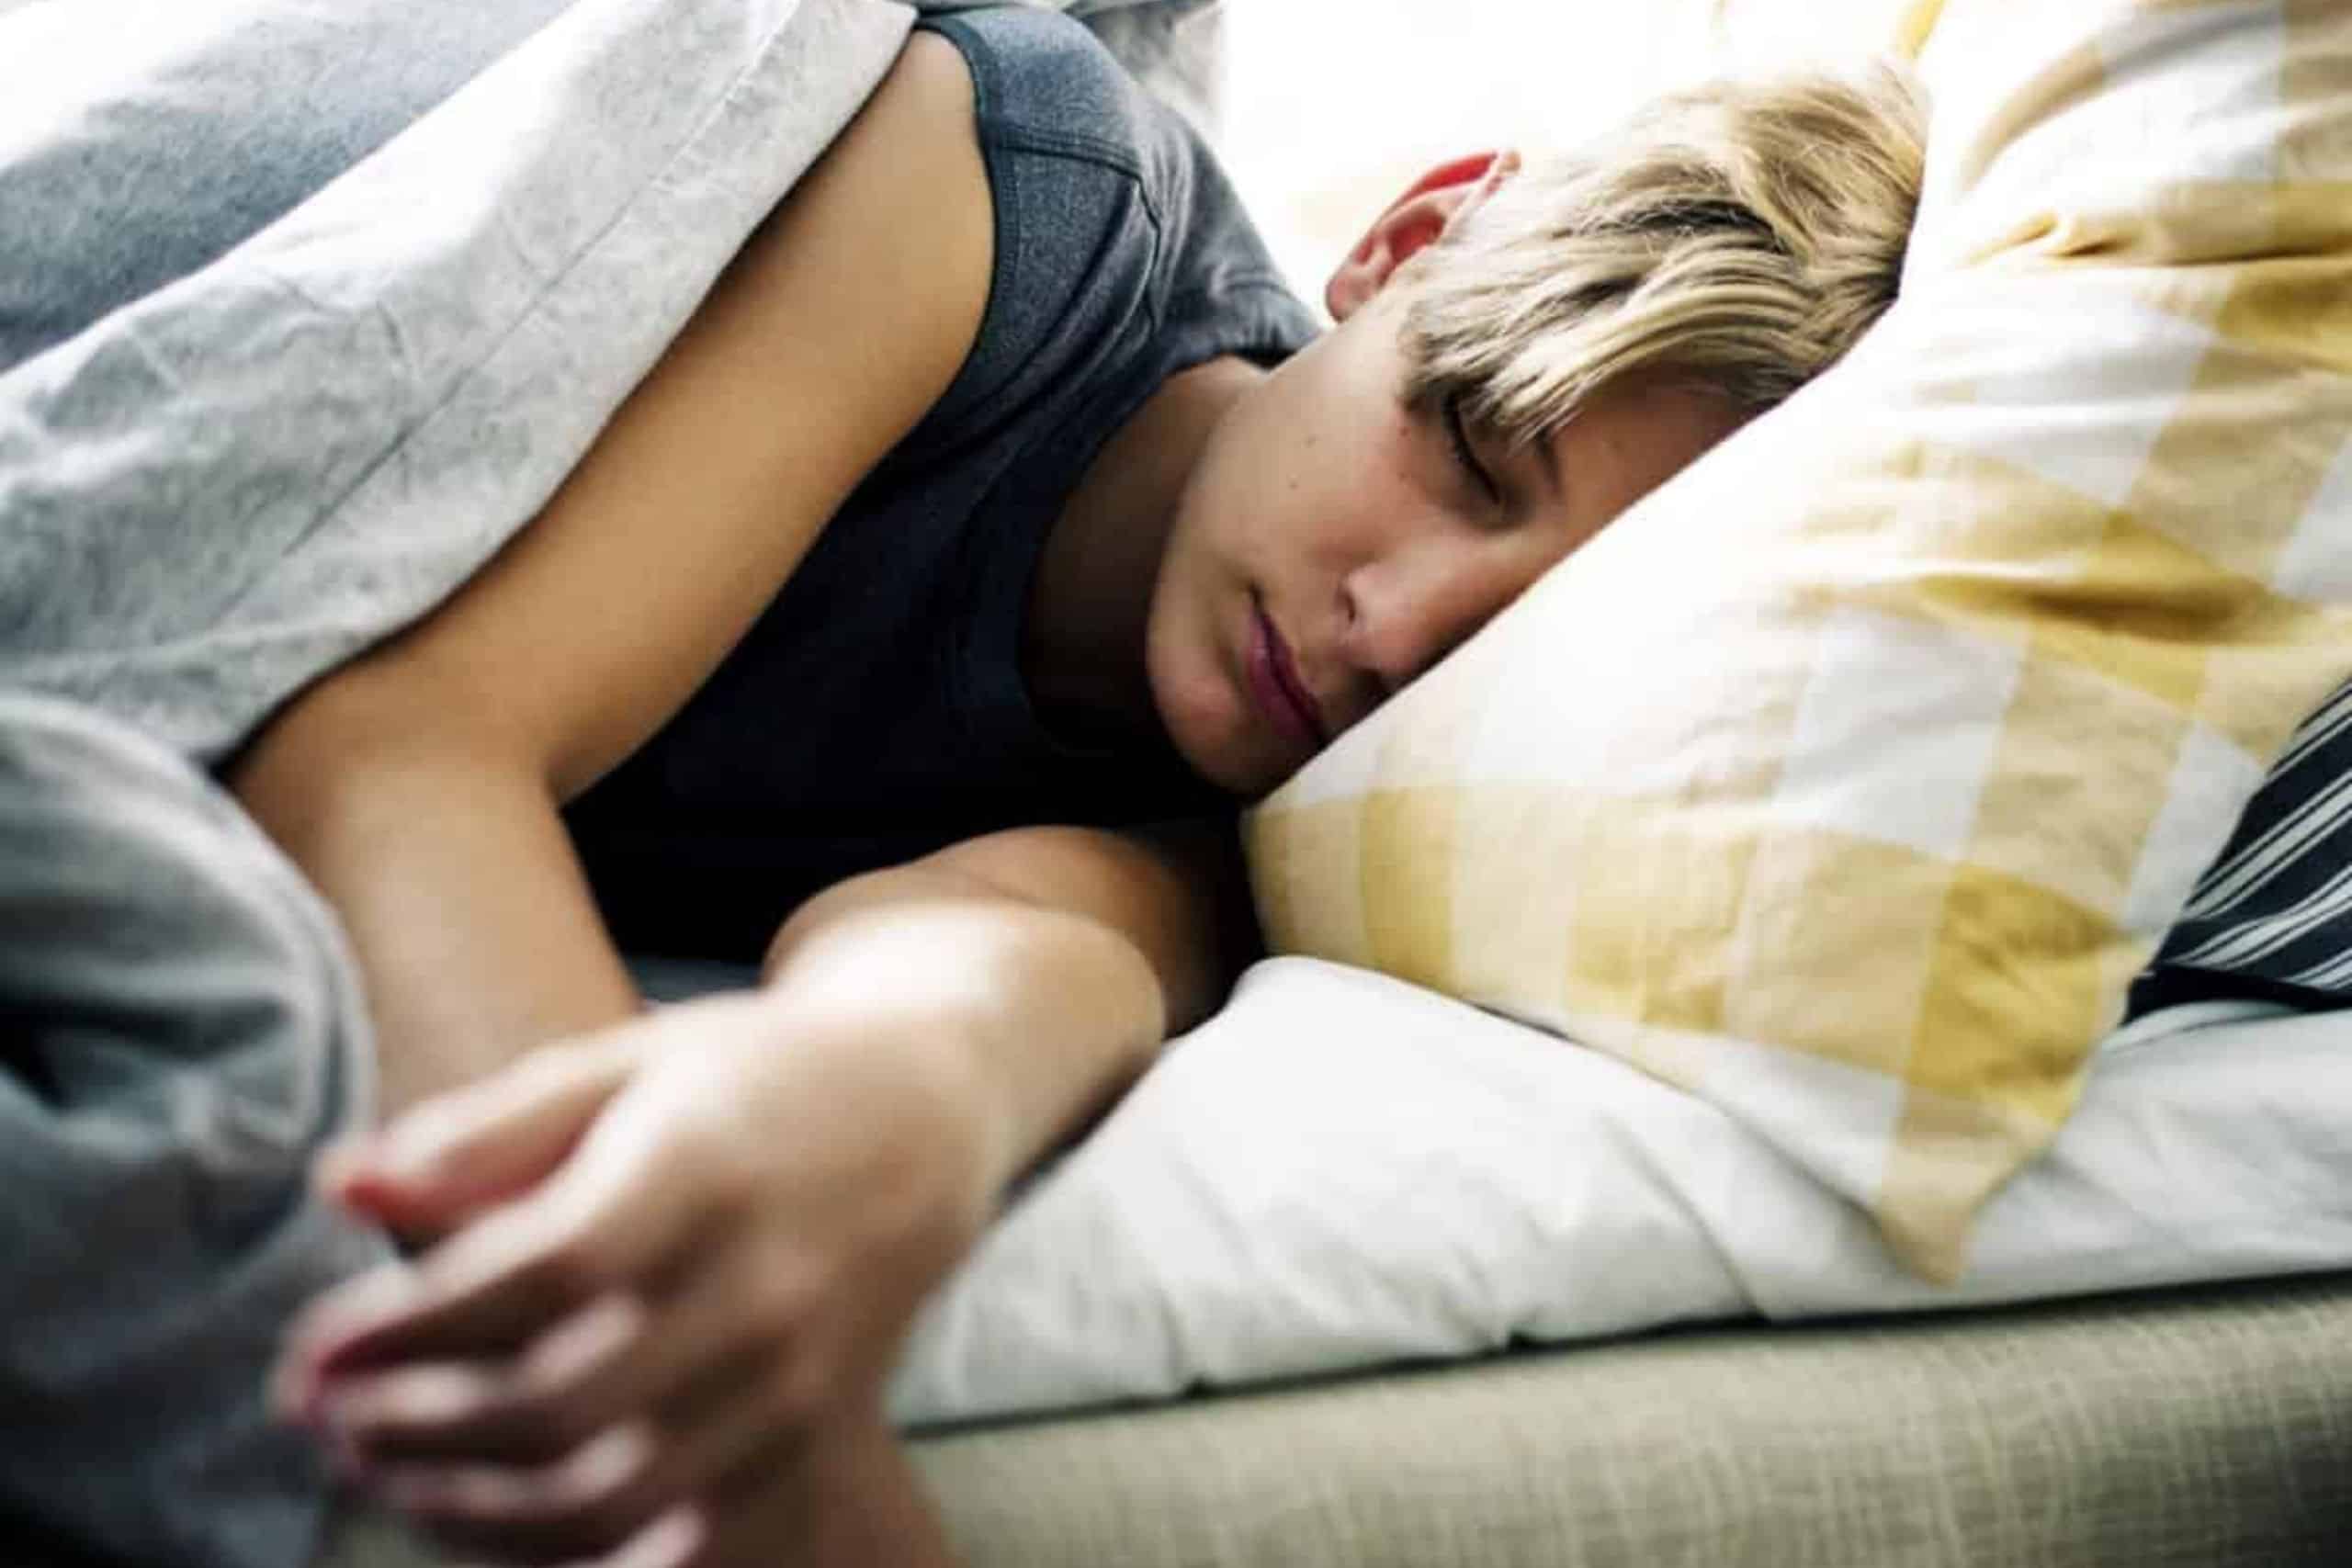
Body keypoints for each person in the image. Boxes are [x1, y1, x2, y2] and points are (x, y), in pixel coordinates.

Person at [245, 7, 1926, 1564]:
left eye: (1523, 638)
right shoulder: (1009, 198)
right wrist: (703, 1439)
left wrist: (901, 1092)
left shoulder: (1332, 796)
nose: (1394, 630)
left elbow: (1004, 932)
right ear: (1409, 245)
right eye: (1471, 452)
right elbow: (389, 736)